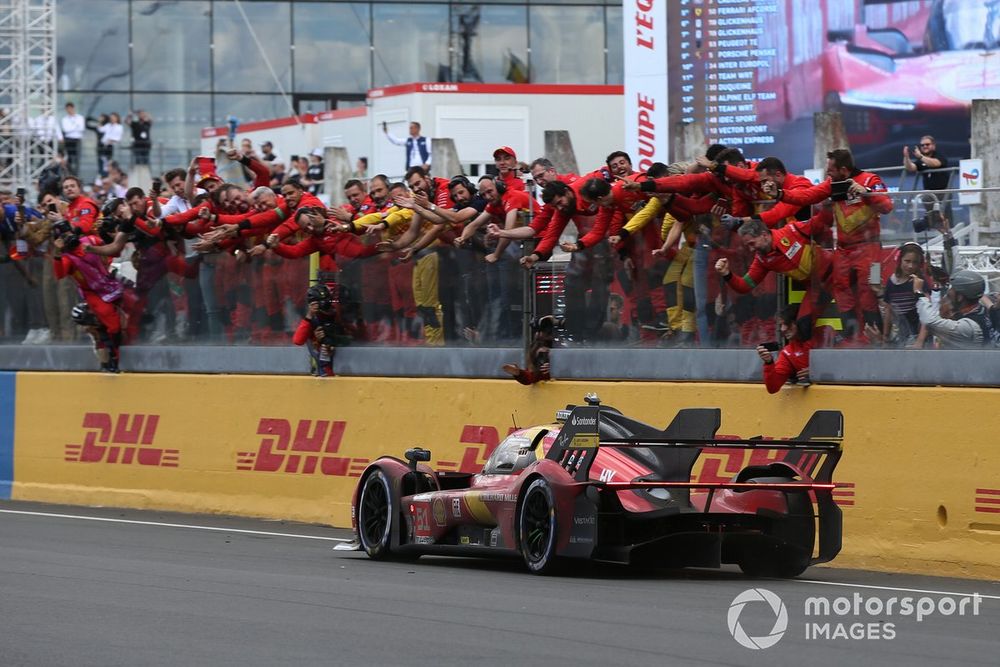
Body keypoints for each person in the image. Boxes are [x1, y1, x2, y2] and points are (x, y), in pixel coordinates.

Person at [915, 270, 999, 348]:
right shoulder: (982, 310)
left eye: (952, 289)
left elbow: (929, 321)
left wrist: (919, 292)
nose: (948, 292)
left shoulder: (968, 327)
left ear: (960, 297)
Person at [294, 283, 361, 377]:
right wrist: (317, 341)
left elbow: (356, 337)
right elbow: (298, 340)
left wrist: (334, 343)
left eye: (328, 300)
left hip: (350, 365)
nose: (327, 304)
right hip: (326, 370)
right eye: (321, 302)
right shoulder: (312, 321)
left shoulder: (336, 314)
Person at [757, 305, 817, 394]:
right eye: (781, 325)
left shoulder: (824, 333)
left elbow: (844, 361)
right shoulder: (788, 352)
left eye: (787, 323)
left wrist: (817, 371)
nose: (783, 329)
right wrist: (769, 362)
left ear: (798, 322)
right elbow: (773, 387)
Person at [60, 103, 85, 175]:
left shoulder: (80, 118)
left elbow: (81, 128)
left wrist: (72, 127)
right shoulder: (64, 119)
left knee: (77, 158)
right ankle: (70, 174)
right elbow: (66, 130)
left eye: (70, 108)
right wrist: (76, 126)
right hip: (68, 139)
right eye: (67, 109)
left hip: (77, 140)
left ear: (73, 108)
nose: (69, 110)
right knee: (69, 158)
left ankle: (76, 174)